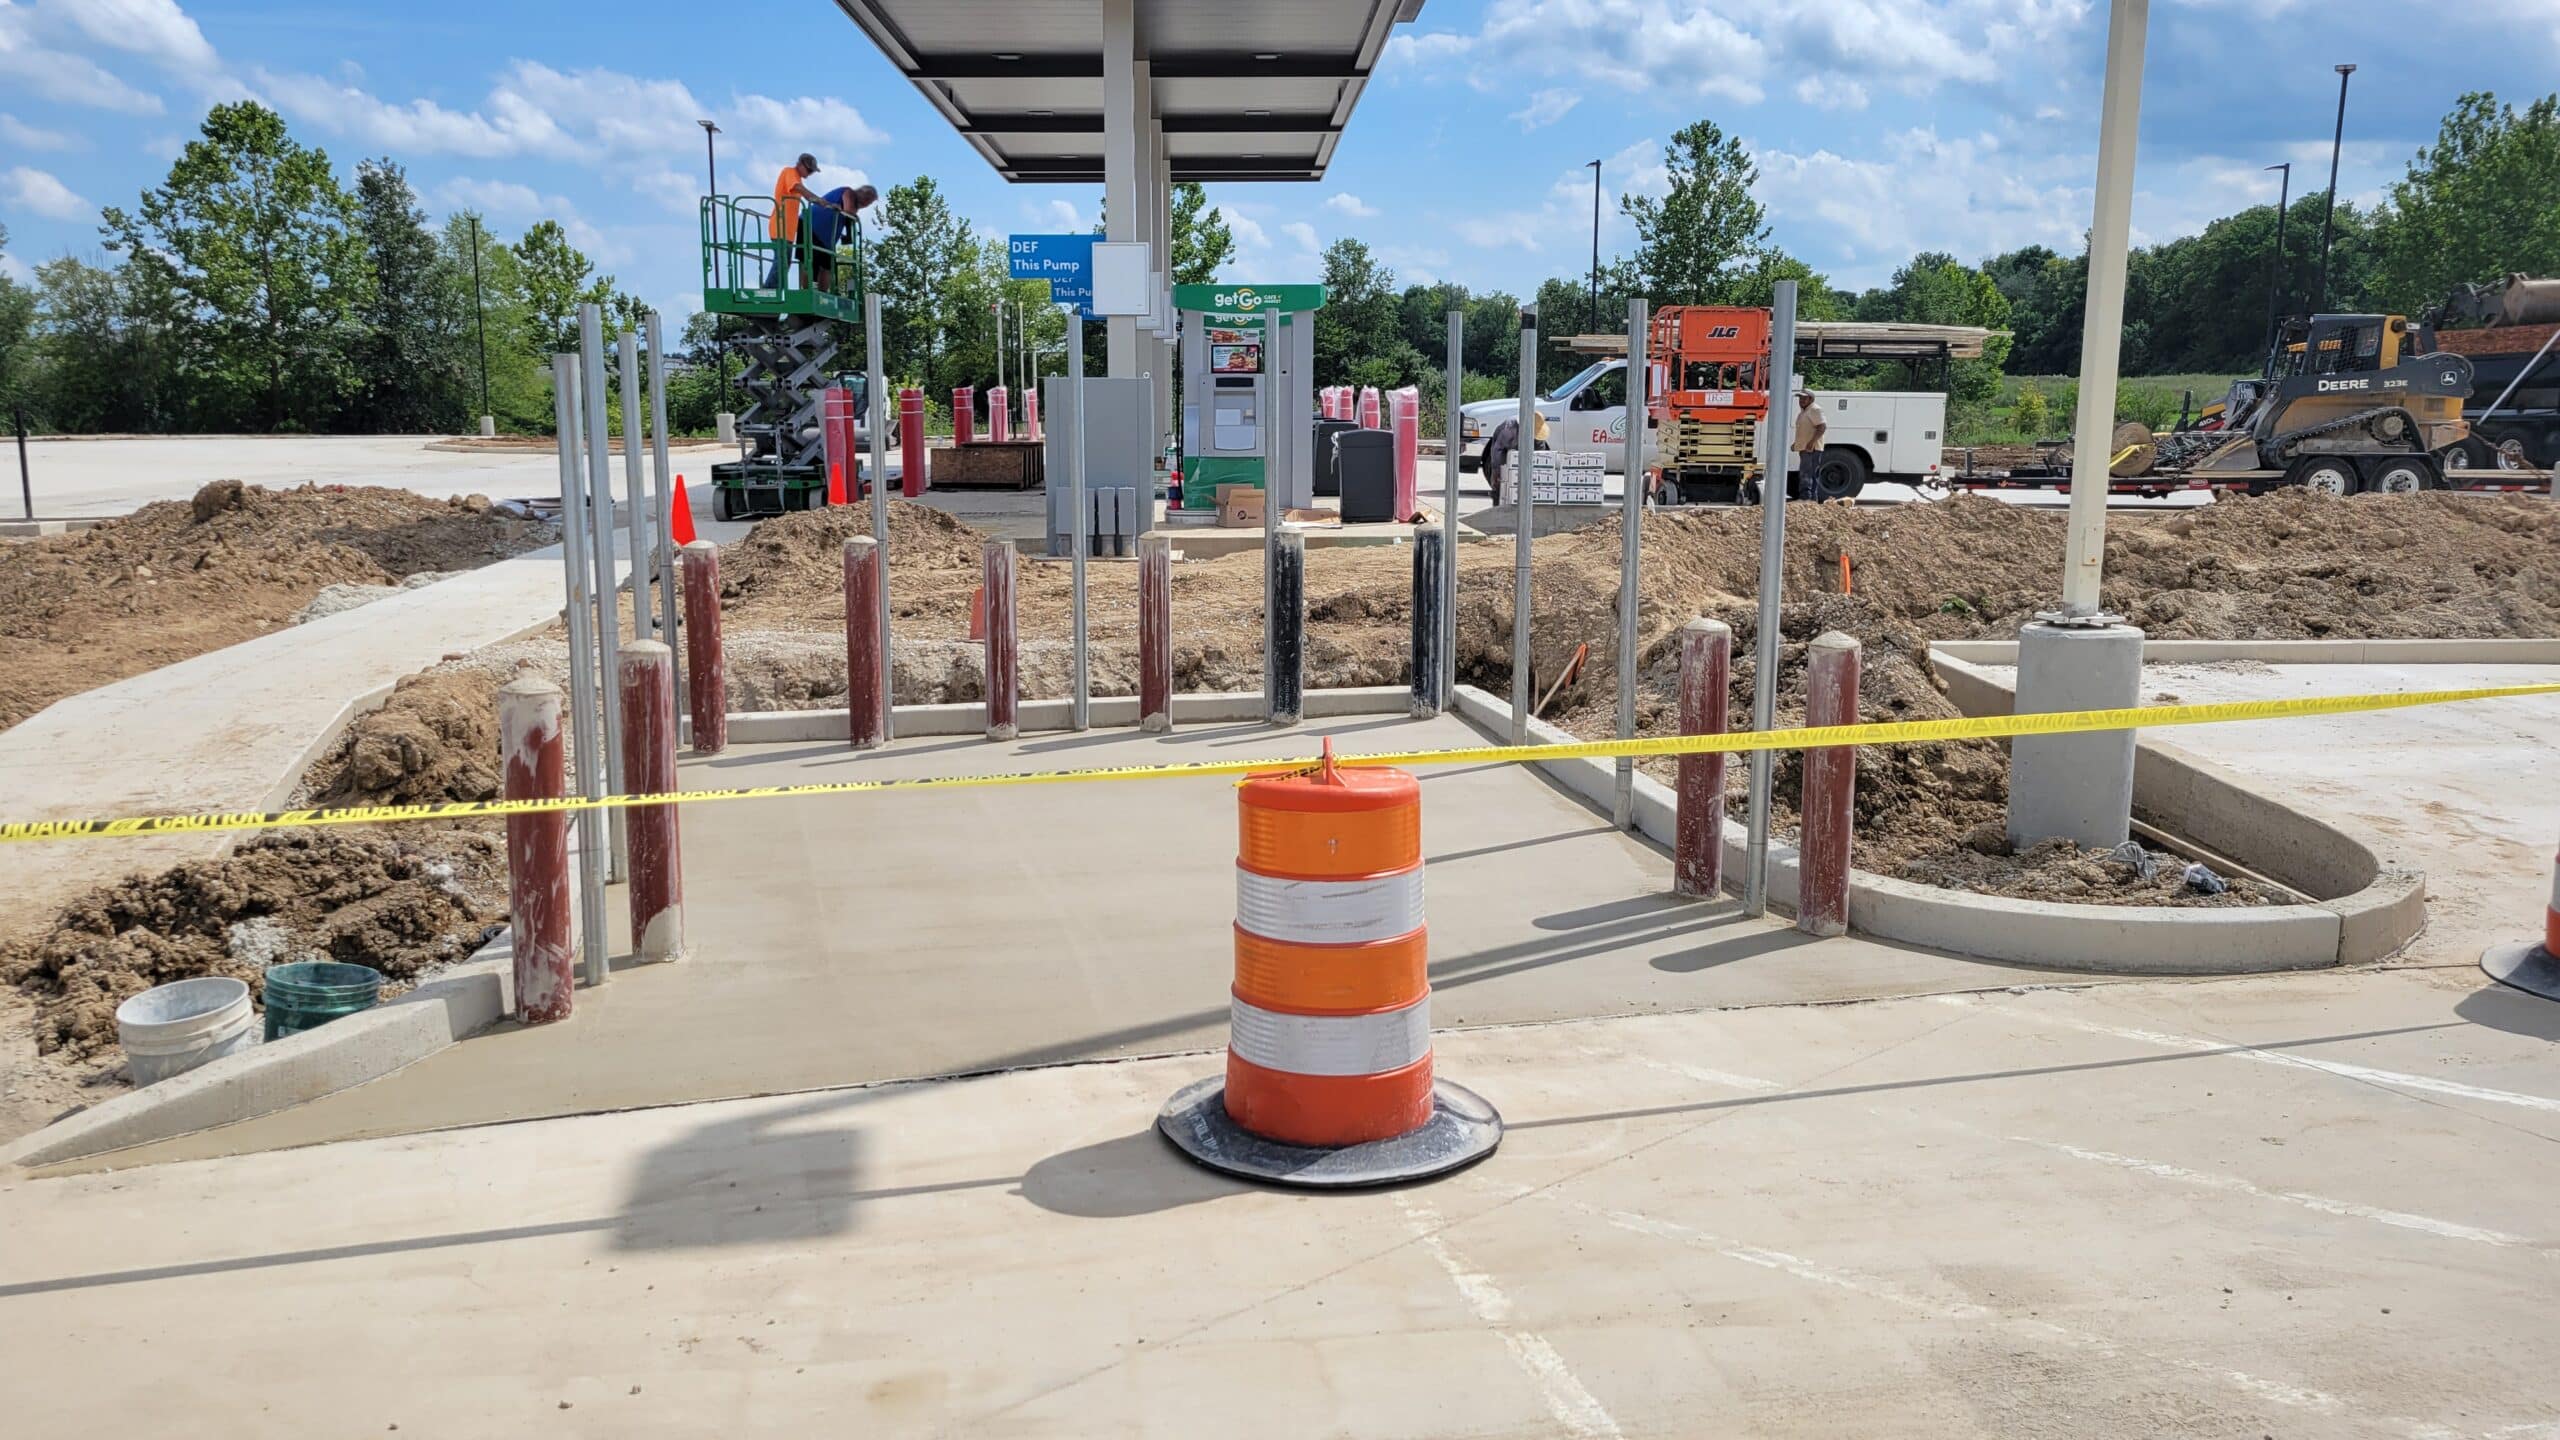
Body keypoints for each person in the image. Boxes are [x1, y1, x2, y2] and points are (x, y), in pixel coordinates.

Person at [765, 153, 828, 288]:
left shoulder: (797, 178)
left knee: (785, 263)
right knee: (781, 262)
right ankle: (768, 291)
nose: (810, 174)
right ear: (800, 165)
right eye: (809, 170)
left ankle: (776, 291)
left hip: (787, 231)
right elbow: (798, 188)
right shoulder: (790, 172)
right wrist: (819, 200)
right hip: (779, 227)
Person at [808, 183, 877, 292]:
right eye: (867, 200)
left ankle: (823, 292)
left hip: (827, 237)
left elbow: (848, 220)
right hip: (814, 227)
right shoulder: (849, 193)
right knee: (812, 261)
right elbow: (848, 211)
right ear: (861, 194)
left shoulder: (855, 206)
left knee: (827, 265)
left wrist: (848, 236)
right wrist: (853, 216)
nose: (866, 204)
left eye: (870, 202)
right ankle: (810, 289)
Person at [1479, 410, 1550, 506]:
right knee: (1500, 483)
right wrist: (1498, 472)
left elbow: (1540, 452)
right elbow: (1498, 452)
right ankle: (1498, 506)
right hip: (1504, 451)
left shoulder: (1538, 435)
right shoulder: (1508, 429)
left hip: (1520, 450)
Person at [1788, 389, 1827, 499]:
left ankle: (1806, 499)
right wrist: (1797, 444)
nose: (1801, 400)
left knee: (1807, 474)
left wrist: (1811, 442)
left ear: (1811, 399)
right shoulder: (1804, 411)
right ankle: (1810, 500)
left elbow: (1822, 427)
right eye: (1800, 398)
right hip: (1805, 448)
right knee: (1808, 474)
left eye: (1804, 398)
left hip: (1811, 449)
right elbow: (1805, 430)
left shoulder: (1815, 409)